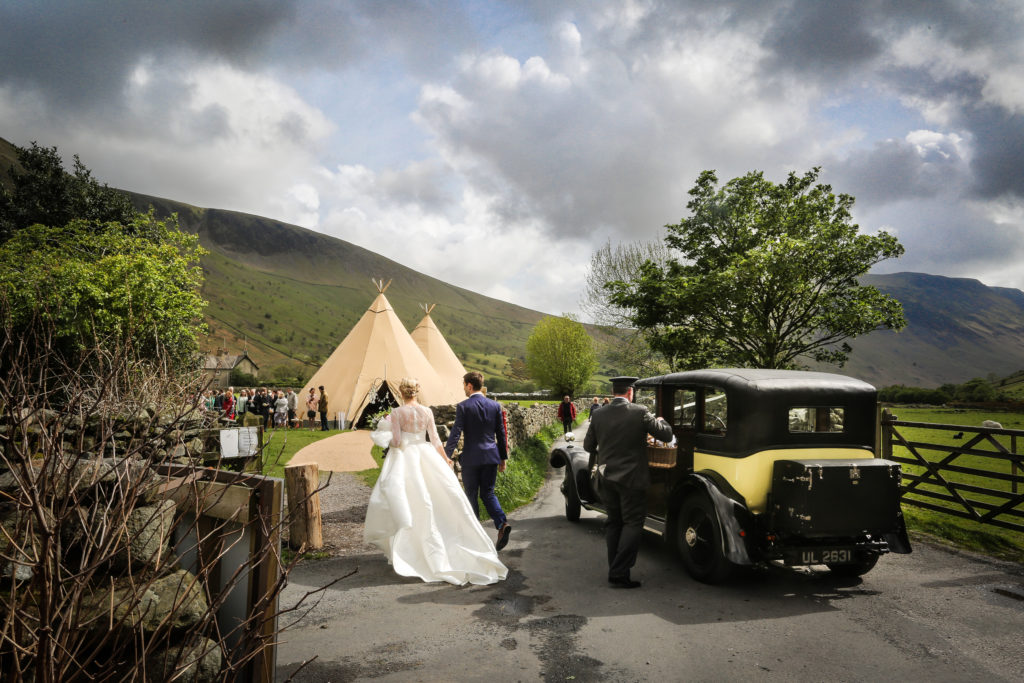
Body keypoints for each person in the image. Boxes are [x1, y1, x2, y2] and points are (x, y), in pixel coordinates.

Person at [365, 377, 508, 586]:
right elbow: (435, 440)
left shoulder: (396, 413)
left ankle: (409, 548)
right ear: (417, 391)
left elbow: (396, 442)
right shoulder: (427, 412)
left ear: (401, 393)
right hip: (426, 455)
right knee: (436, 498)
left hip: (405, 457)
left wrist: (385, 429)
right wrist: (445, 458)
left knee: (405, 500)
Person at [583, 376, 673, 589]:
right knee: (632, 523)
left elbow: (588, 446)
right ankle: (619, 572)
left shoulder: (598, 414)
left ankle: (615, 567)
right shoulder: (640, 412)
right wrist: (661, 421)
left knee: (614, 522)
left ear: (613, 391)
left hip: (607, 478)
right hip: (632, 479)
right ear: (630, 392)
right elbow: (667, 436)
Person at [445, 371, 512, 551]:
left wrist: (445, 455)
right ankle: (502, 523)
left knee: (471, 494)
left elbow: (455, 433)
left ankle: (475, 535)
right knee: (488, 493)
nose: (463, 389)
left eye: (464, 385)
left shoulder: (463, 406)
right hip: (491, 456)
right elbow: (501, 434)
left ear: (469, 385)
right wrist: (503, 459)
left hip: (472, 458)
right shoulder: (494, 406)